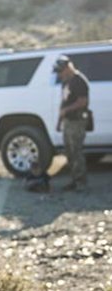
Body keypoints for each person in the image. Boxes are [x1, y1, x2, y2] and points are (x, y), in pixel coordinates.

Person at [54, 55, 90, 192]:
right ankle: (74, 180)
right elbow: (64, 101)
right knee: (69, 152)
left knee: (76, 151)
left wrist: (67, 110)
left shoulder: (79, 81)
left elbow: (82, 102)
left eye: (60, 71)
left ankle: (81, 182)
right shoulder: (66, 82)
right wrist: (60, 121)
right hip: (68, 121)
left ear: (68, 68)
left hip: (77, 121)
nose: (59, 74)